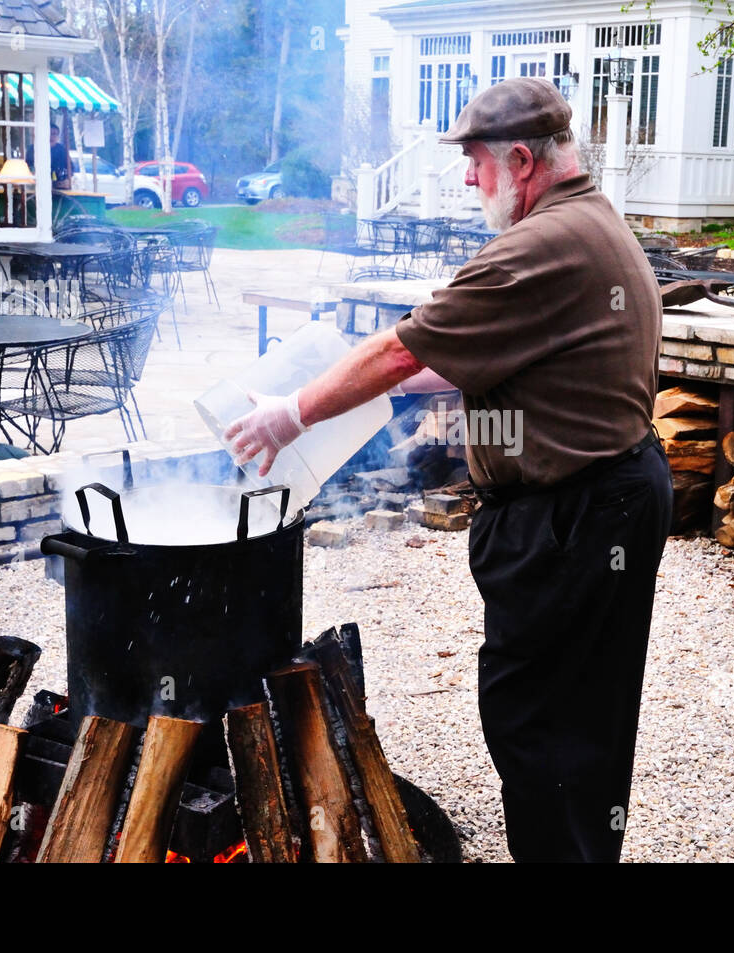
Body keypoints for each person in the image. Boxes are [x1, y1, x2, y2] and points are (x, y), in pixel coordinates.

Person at [224, 78, 672, 862]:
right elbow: (445, 358)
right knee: (585, 718)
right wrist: (353, 385)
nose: (468, 179)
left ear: (523, 160)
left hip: (572, 517)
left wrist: (291, 412)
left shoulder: (536, 247)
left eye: (475, 162)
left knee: (537, 722)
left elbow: (404, 346)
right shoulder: (588, 225)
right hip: (611, 497)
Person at [28, 124, 71, 190]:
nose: (51, 136)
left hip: (58, 187)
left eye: (54, 134)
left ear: (58, 137)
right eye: (49, 133)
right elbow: (28, 167)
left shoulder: (61, 150)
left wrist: (66, 180)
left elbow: (70, 168)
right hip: (38, 186)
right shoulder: (34, 148)